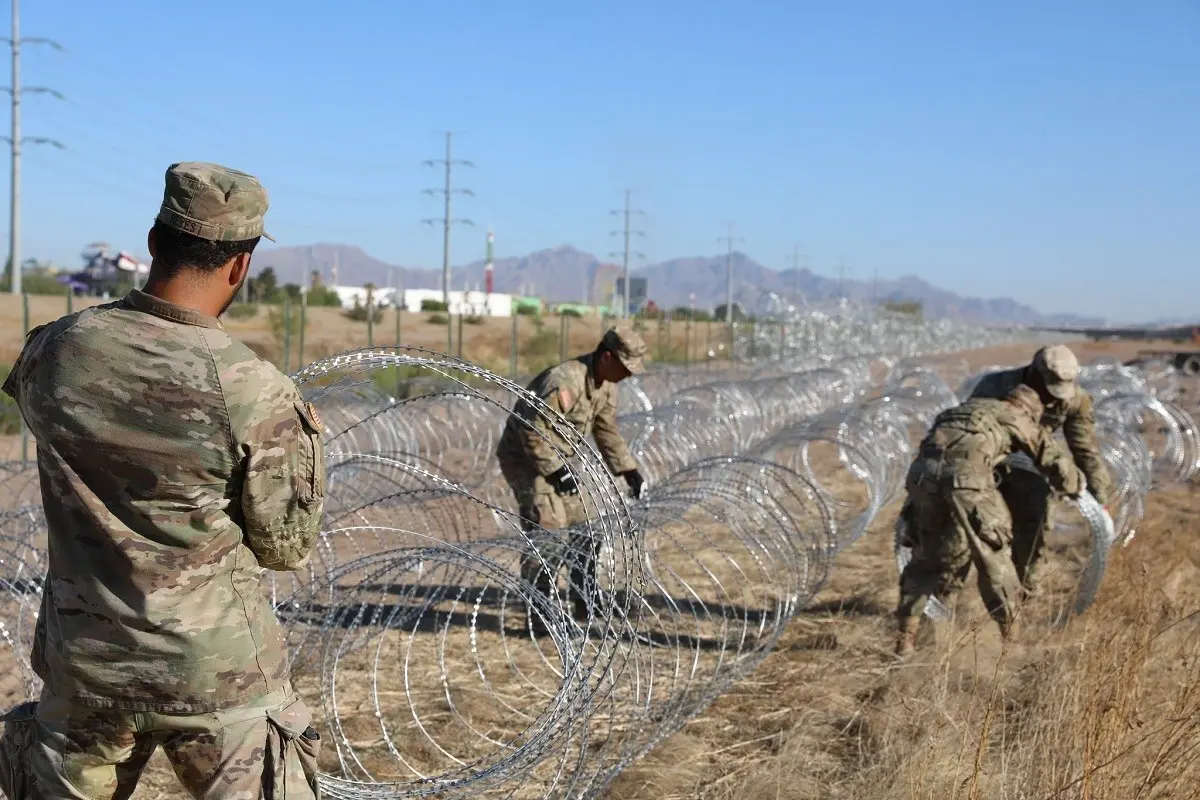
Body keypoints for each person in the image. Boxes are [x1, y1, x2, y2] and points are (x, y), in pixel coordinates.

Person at [0, 162, 326, 799]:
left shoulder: (55, 349)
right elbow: (285, 547)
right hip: (215, 673)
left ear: (153, 241)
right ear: (241, 266)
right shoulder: (252, 390)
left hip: (88, 660)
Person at [895, 385, 1084, 657]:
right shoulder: (1013, 414)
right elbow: (1048, 454)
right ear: (1027, 410)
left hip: (922, 476)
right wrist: (1074, 485)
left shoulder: (961, 410)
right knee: (993, 556)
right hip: (968, 478)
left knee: (925, 556)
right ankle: (1011, 643)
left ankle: (906, 641)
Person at [496, 323, 647, 628]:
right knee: (548, 529)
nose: (628, 374)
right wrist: (555, 470)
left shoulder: (606, 386)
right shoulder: (565, 380)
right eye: (625, 367)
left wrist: (627, 469)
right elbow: (532, 431)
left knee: (587, 527)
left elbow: (606, 431)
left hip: (560, 460)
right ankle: (539, 611)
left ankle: (585, 601)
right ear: (606, 357)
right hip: (526, 459)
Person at [968, 344, 1111, 597]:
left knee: (1035, 529)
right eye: (1049, 387)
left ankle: (1025, 592)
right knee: (981, 528)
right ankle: (975, 590)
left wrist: (1101, 501)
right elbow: (972, 434)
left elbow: (1086, 450)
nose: (1052, 397)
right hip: (988, 467)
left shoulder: (1075, 401)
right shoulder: (997, 386)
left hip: (1032, 470)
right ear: (1034, 373)